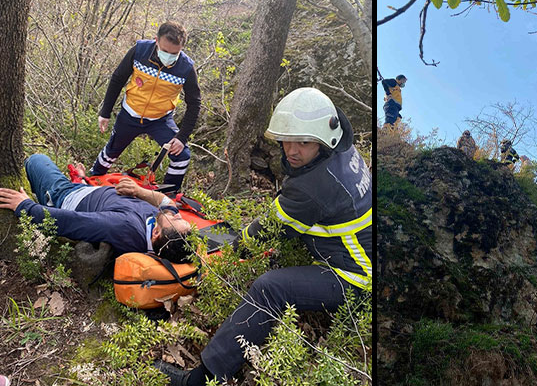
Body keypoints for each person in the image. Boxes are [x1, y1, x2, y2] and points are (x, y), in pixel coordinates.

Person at [155, 87, 372, 385]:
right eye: (286, 141)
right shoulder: (340, 146)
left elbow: (263, 233)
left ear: (322, 140)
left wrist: (226, 244)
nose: (292, 151)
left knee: (271, 288)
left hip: (357, 277)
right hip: (363, 252)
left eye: (303, 143)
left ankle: (202, 378)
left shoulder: (313, 187)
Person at [0, 154, 192, 262]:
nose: (177, 216)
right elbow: (168, 203)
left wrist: (26, 206)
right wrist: (139, 191)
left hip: (66, 197)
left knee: (36, 160)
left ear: (156, 234)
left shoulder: (123, 227)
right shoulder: (165, 227)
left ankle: (51, 193)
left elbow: (69, 222)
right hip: (92, 192)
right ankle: (81, 179)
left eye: (176, 220)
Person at [91, 21, 201, 192]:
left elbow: (194, 103)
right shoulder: (140, 51)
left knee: (182, 156)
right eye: (165, 51)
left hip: (160, 120)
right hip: (130, 114)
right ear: (156, 40)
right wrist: (105, 112)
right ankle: (91, 179)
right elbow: (117, 79)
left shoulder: (186, 67)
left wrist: (181, 137)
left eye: (174, 53)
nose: (168, 56)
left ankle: (167, 195)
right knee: (110, 153)